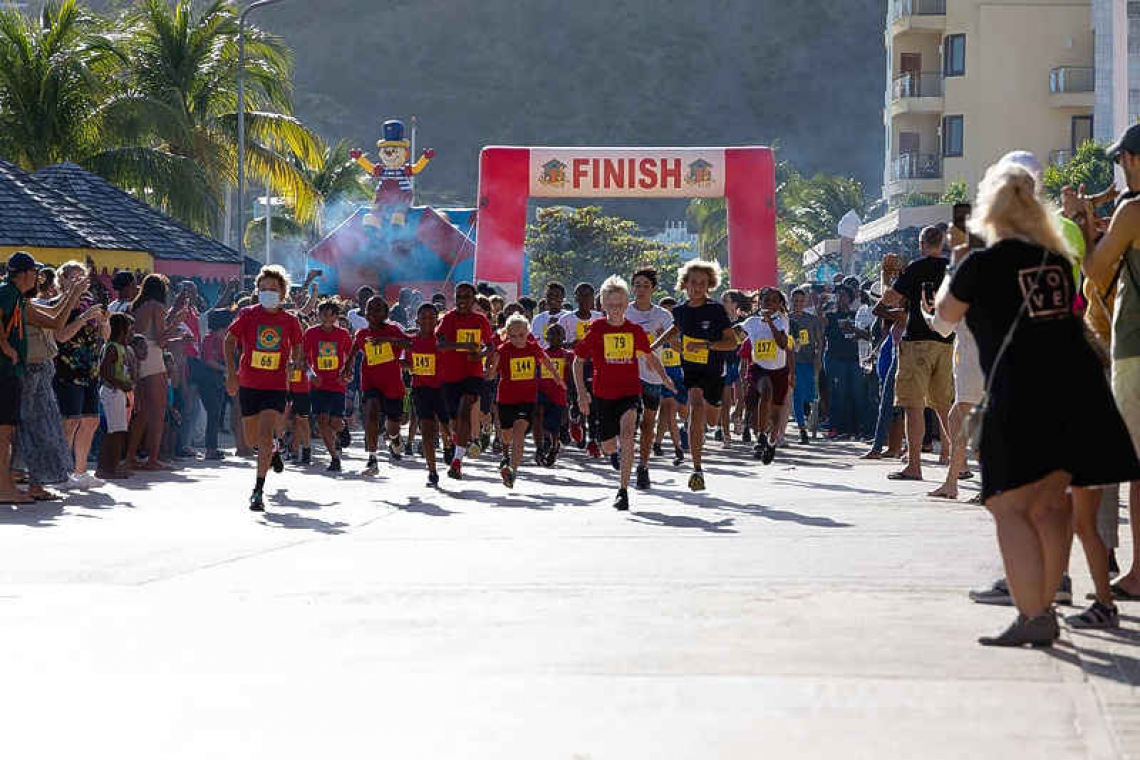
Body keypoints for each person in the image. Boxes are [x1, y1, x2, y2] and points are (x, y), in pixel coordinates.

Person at [932, 161, 1140, 645]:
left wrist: (958, 260)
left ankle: (1034, 613)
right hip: (1076, 391)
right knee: (1051, 506)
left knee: (1008, 505)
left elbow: (943, 319)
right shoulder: (1052, 261)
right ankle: (1043, 607)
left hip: (1022, 394)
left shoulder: (980, 264)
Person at [1082, 122, 1140, 602]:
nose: (1120, 168)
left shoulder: (1134, 211)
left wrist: (1084, 219)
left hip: (1135, 348)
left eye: (1122, 160)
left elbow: (1095, 269)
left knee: (1136, 467)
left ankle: (1137, 572)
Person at [574, 275, 674, 509]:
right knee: (608, 445)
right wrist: (581, 393)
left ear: (626, 304)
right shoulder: (596, 329)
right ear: (603, 306)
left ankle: (623, 491)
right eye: (611, 305)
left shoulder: (634, 330)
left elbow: (650, 356)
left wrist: (665, 378)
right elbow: (578, 362)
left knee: (628, 434)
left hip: (629, 392)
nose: (616, 310)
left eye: (620, 305)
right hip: (602, 395)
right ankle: (613, 453)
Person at [0, 252, 89, 504]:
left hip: (16, 371)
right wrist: (5, 345)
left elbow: (54, 320)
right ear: (25, 273)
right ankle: (7, 485)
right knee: (10, 431)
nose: (38, 278)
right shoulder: (7, 292)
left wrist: (73, 294)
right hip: (10, 370)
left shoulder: (17, 297)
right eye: (35, 272)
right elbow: (57, 323)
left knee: (11, 429)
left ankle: (11, 484)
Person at [224, 265, 305, 512]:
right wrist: (231, 374)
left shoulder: (290, 320)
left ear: (283, 293)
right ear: (257, 290)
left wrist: (295, 362)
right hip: (249, 383)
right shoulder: (248, 314)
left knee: (265, 431)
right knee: (251, 441)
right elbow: (229, 340)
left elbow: (298, 346)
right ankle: (273, 448)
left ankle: (258, 490)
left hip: (276, 386)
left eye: (273, 289)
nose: (268, 292)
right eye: (263, 289)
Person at [877, 226, 954, 481]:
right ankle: (957, 461)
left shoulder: (915, 268)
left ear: (921, 244)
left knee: (914, 405)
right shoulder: (953, 268)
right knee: (945, 406)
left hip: (917, 340)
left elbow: (890, 299)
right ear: (942, 243)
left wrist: (888, 281)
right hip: (946, 341)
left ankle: (914, 465)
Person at [653, 260, 736, 491]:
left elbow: (732, 342)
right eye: (693, 282)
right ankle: (697, 468)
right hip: (691, 371)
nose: (697, 287)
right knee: (695, 404)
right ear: (685, 284)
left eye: (702, 283)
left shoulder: (716, 310)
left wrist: (707, 347)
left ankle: (709, 424)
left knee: (711, 418)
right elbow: (676, 329)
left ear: (709, 285)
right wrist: (655, 344)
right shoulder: (679, 311)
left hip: (714, 371)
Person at [485, 313, 565, 488]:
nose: (517, 340)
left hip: (527, 399)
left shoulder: (533, 348)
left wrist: (558, 379)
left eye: (521, 335)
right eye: (512, 336)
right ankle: (506, 456)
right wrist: (488, 373)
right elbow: (492, 372)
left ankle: (512, 471)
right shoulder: (503, 350)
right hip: (506, 398)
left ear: (527, 333)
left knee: (519, 431)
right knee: (506, 435)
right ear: (507, 334)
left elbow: (547, 361)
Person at [54, 261, 110, 487]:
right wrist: (83, 318)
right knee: (70, 422)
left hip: (90, 371)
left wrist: (104, 320)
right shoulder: (58, 304)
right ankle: (61, 472)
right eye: (73, 277)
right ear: (62, 280)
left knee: (91, 421)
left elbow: (106, 336)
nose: (78, 282)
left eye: (81, 278)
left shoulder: (89, 304)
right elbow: (61, 336)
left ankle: (81, 470)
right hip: (68, 371)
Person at [344, 296, 409, 475]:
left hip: (393, 385)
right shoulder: (362, 334)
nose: (373, 313)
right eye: (370, 309)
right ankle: (372, 459)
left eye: (378, 309)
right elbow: (354, 349)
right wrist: (347, 367)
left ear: (386, 314)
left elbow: (409, 344)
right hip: (371, 382)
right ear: (365, 313)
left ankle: (395, 440)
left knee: (393, 425)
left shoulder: (393, 329)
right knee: (371, 413)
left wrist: (388, 340)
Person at [127, 274, 186, 471]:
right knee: (158, 412)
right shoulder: (156, 306)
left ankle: (131, 456)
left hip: (138, 356)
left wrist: (174, 313)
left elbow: (150, 330)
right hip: (153, 356)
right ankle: (153, 458)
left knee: (142, 413)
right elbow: (161, 339)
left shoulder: (137, 306)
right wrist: (177, 322)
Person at [436, 282, 495, 480]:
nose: (462, 301)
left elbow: (491, 346)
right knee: (455, 420)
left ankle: (457, 461)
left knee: (465, 410)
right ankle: (457, 440)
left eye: (467, 297)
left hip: (473, 373)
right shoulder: (448, 318)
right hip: (449, 376)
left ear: (473, 299)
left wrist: (482, 357)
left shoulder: (481, 320)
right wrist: (463, 345)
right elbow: (440, 345)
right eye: (459, 297)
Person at [624, 269, 673, 489]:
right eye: (637, 285)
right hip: (627, 372)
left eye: (645, 285)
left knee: (647, 423)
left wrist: (666, 336)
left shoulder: (663, 315)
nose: (641, 289)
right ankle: (622, 452)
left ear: (653, 289)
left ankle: (643, 466)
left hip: (652, 374)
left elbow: (677, 343)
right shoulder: (623, 312)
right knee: (627, 418)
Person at [737, 287, 789, 464]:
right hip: (759, 368)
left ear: (780, 304)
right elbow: (734, 335)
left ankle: (772, 442)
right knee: (765, 391)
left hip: (779, 371)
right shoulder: (751, 322)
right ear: (760, 302)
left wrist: (770, 323)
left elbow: (782, 345)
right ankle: (760, 437)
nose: (769, 304)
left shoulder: (782, 321)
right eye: (766, 300)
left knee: (775, 416)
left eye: (774, 301)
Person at [305, 300, 353, 472]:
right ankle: (334, 457)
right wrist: (311, 375)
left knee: (335, 423)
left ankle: (343, 428)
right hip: (318, 385)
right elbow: (302, 358)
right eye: (323, 314)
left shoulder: (343, 334)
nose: (326, 317)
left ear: (336, 316)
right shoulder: (311, 333)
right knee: (322, 421)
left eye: (330, 314)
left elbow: (351, 355)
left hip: (337, 384)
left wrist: (348, 374)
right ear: (318, 315)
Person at [406, 302, 448, 486]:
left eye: (432, 317)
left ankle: (449, 445)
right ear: (417, 320)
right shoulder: (412, 341)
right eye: (424, 317)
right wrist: (411, 366)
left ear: (437, 320)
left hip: (442, 389)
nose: (428, 320)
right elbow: (405, 362)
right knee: (428, 431)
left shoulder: (443, 339)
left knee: (446, 426)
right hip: (421, 389)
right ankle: (432, 470)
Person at [559, 282, 603, 454]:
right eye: (581, 295)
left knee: (593, 402)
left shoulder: (599, 318)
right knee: (577, 398)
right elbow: (557, 342)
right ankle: (575, 419)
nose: (585, 299)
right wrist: (572, 344)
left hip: (594, 365)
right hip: (573, 365)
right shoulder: (566, 319)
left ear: (593, 298)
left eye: (588, 295)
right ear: (575, 297)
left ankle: (592, 439)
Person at [820, 285, 864, 440]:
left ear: (850, 298)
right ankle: (835, 427)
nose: (840, 298)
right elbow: (820, 329)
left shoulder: (856, 314)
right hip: (835, 359)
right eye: (837, 295)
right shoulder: (830, 316)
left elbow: (865, 333)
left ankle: (854, 428)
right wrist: (821, 305)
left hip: (854, 359)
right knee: (837, 393)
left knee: (855, 394)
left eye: (844, 295)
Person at [96, 313, 136, 480]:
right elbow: (104, 371)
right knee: (114, 432)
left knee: (118, 431)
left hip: (118, 392)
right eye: (130, 330)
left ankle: (111, 466)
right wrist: (121, 384)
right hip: (113, 392)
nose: (132, 334)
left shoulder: (120, 348)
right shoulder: (112, 347)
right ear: (122, 331)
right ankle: (106, 468)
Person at [655, 295, 688, 467]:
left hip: (678, 374)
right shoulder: (655, 329)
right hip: (660, 373)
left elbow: (684, 351)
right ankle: (675, 447)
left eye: (672, 313)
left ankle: (659, 442)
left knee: (674, 413)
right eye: (665, 313)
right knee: (668, 411)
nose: (668, 316)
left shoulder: (681, 330)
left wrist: (670, 338)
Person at [788, 287, 823, 445]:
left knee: (809, 395)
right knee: (797, 394)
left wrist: (818, 357)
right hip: (793, 362)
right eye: (795, 301)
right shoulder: (786, 319)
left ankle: (807, 412)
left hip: (809, 361)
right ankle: (802, 428)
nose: (798, 304)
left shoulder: (811, 319)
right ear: (791, 301)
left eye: (801, 301)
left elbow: (819, 340)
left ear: (805, 302)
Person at [195, 309, 230, 461]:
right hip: (209, 380)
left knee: (215, 415)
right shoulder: (209, 339)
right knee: (213, 414)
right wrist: (226, 369)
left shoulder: (221, 340)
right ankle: (210, 449)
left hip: (217, 380)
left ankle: (213, 447)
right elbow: (208, 360)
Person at [537, 323, 571, 466]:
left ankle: (555, 446)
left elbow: (570, 374)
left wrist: (571, 393)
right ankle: (545, 440)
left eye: (558, 336)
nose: (555, 339)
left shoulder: (567, 355)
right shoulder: (541, 354)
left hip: (559, 394)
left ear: (563, 338)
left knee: (556, 424)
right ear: (547, 338)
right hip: (542, 391)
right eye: (552, 335)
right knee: (540, 415)